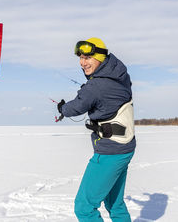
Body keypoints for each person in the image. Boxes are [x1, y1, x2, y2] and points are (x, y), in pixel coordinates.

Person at [58, 37, 136, 222]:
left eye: (88, 57)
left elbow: (75, 107)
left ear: (101, 57)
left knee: (84, 208)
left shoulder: (96, 86)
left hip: (109, 151)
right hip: (125, 149)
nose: (82, 62)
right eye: (80, 58)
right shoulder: (120, 76)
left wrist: (62, 108)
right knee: (115, 204)